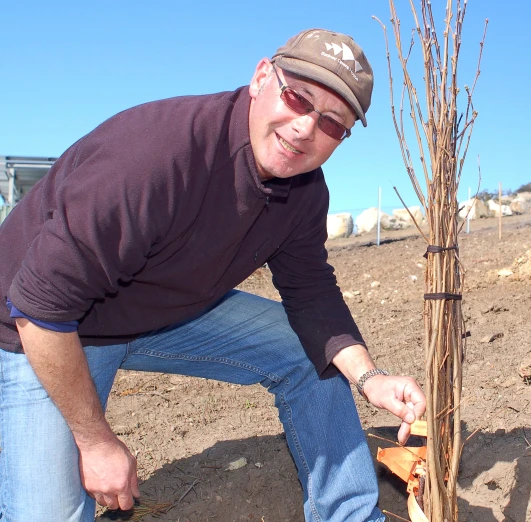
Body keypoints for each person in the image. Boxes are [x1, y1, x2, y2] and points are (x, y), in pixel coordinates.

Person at [0, 28, 425, 522]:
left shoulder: (304, 190)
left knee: (312, 352)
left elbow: (311, 295)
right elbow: (39, 306)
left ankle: (351, 515)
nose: (306, 128)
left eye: (333, 124)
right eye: (297, 97)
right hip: (39, 330)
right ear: (262, 77)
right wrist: (95, 442)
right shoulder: (156, 155)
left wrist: (369, 377)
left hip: (154, 316)